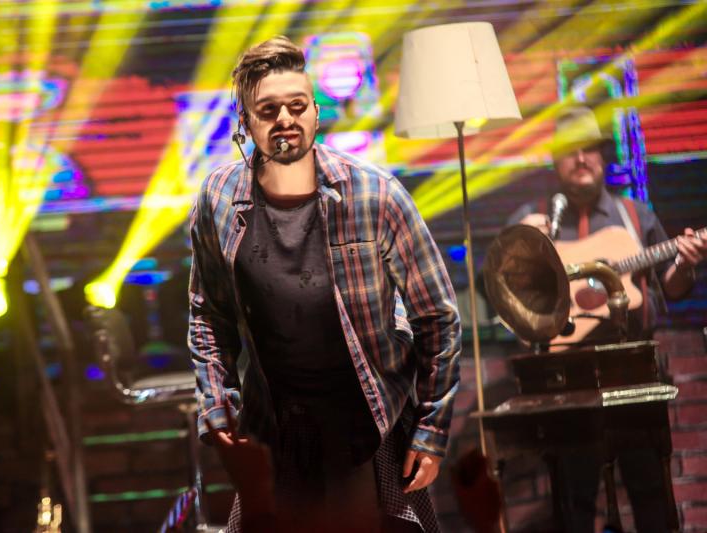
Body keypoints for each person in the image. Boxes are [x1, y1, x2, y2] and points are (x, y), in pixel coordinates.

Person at [187, 36, 461, 533]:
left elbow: (437, 317)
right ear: (244, 122)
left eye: (297, 106)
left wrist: (431, 430)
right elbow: (208, 314)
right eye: (268, 110)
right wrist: (218, 405)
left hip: (365, 427)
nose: (285, 119)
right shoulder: (219, 200)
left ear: (316, 111)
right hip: (276, 434)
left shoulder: (375, 195)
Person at [506, 105, 706, 532]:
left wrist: (686, 263)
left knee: (651, 495)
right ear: (555, 160)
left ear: (602, 156)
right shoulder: (532, 220)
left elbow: (670, 288)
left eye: (590, 149)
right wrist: (522, 247)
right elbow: (505, 291)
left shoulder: (634, 216)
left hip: (633, 376)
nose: (581, 158)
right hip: (564, 384)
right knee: (574, 503)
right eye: (570, 150)